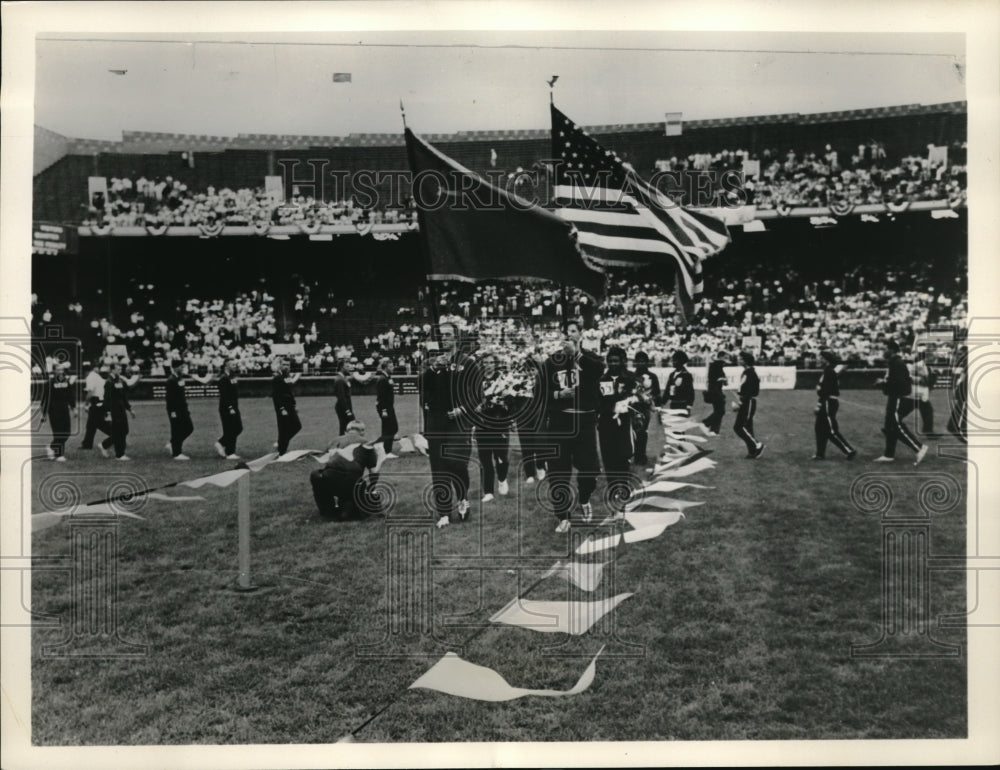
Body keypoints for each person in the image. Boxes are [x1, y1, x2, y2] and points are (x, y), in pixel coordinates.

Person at [544, 319, 605, 531]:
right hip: (561, 422)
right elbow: (539, 394)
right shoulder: (552, 362)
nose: (569, 335)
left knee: (589, 469)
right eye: (566, 332)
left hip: (585, 421)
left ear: (581, 334)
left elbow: (598, 371)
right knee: (558, 472)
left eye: (573, 331)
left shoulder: (590, 358)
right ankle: (563, 516)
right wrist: (558, 394)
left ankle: (585, 498)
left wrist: (577, 355)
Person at [420, 321, 473, 527]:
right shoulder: (433, 363)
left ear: (457, 338)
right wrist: (434, 368)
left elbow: (477, 395)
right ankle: (443, 512)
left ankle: (462, 497)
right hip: (436, 420)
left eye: (449, 335)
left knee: (455, 461)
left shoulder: (467, 362)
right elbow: (422, 387)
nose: (445, 338)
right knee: (439, 466)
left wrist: (462, 409)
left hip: (458, 421)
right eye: (442, 335)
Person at [875, 340, 928, 465]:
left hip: (897, 397)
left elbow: (899, 383)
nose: (883, 352)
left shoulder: (897, 363)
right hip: (894, 396)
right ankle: (889, 454)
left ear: (892, 350)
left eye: (885, 349)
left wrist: (883, 383)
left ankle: (919, 448)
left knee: (895, 424)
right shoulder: (894, 362)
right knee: (889, 427)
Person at [597, 346, 636, 512]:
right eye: (610, 360)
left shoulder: (629, 378)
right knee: (608, 458)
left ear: (622, 361)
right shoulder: (601, 379)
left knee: (623, 456)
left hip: (624, 423)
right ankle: (613, 488)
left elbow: (635, 397)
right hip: (606, 424)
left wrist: (628, 402)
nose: (613, 363)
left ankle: (624, 487)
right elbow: (599, 402)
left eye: (616, 360)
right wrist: (613, 405)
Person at [472, 352, 511, 504]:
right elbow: (471, 398)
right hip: (482, 424)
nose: (488, 365)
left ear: (495, 364)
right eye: (485, 362)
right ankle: (488, 491)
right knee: (485, 458)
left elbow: (511, 401)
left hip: (500, 423)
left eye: (490, 362)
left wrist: (503, 405)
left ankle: (502, 478)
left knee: (501, 457)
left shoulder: (503, 380)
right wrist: (475, 408)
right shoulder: (477, 380)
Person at [310, 443, 381, 521]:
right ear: (361, 431)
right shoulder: (367, 444)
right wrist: (372, 488)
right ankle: (347, 510)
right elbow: (373, 472)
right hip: (353, 480)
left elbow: (327, 461)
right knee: (355, 496)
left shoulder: (335, 441)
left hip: (330, 476)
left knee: (317, 476)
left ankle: (328, 512)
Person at [813, 350, 857, 460]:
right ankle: (820, 454)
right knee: (820, 428)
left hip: (828, 401)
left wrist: (819, 403)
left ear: (825, 359)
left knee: (830, 429)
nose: (818, 360)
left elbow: (826, 390)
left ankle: (848, 450)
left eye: (820, 358)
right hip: (827, 401)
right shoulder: (829, 369)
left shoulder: (829, 370)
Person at [512, 351, 549, 485]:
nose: (531, 372)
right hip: (523, 417)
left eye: (533, 369)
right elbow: (513, 401)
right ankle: (529, 473)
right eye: (528, 370)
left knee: (540, 442)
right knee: (526, 444)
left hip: (539, 416)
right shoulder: (518, 383)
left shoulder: (543, 382)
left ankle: (540, 466)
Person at [194, 361, 242, 460]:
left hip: (234, 406)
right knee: (230, 428)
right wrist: (230, 408)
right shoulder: (223, 379)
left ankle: (221, 443)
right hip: (227, 408)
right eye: (232, 364)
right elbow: (225, 396)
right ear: (226, 367)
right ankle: (230, 452)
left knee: (238, 427)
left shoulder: (232, 377)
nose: (235, 366)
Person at [40, 363, 77, 461]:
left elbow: (70, 396)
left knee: (67, 432)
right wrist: (44, 415)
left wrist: (74, 408)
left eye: (62, 370)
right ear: (54, 371)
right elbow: (44, 400)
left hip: (64, 409)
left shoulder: (66, 382)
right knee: (58, 432)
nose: (61, 372)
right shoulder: (49, 383)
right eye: (58, 370)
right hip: (54, 411)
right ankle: (59, 455)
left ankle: (52, 447)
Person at [100, 362, 136, 460]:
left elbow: (123, 397)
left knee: (124, 430)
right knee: (119, 431)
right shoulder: (109, 382)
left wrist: (130, 409)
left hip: (121, 409)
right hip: (114, 410)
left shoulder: (120, 381)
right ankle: (120, 454)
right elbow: (107, 399)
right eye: (118, 369)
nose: (120, 371)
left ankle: (104, 445)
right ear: (112, 370)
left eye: (120, 369)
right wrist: (108, 413)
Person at [631, 351, 661, 466]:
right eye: (638, 361)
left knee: (642, 431)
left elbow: (657, 393)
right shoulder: (632, 376)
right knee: (634, 431)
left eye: (643, 361)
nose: (641, 363)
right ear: (635, 362)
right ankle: (636, 454)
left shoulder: (652, 377)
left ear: (647, 362)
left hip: (645, 408)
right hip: (633, 408)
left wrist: (655, 403)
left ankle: (641, 455)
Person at [733, 351, 765, 459]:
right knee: (747, 427)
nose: (738, 360)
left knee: (738, 427)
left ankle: (757, 445)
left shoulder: (750, 373)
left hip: (748, 402)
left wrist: (740, 403)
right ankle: (752, 451)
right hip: (746, 401)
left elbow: (751, 391)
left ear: (745, 361)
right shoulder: (747, 372)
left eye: (740, 358)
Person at [272, 358, 302, 455]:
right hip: (283, 407)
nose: (286, 366)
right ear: (280, 365)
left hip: (290, 405)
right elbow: (276, 395)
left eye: (288, 365)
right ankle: (282, 451)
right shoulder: (277, 377)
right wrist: (281, 409)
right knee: (283, 428)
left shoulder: (286, 376)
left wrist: (293, 405)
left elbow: (289, 392)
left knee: (297, 426)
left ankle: (281, 443)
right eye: (284, 364)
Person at [165, 360, 194, 460]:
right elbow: (169, 398)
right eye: (181, 367)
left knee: (189, 428)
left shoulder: (180, 378)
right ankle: (177, 453)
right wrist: (172, 411)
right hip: (175, 410)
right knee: (177, 430)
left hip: (183, 408)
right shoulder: (171, 380)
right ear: (175, 367)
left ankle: (173, 444)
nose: (182, 369)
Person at [79, 362, 110, 450]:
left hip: (97, 402)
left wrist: (85, 404)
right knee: (91, 425)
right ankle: (87, 444)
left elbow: (90, 392)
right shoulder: (96, 376)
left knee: (100, 424)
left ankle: (117, 436)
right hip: (101, 401)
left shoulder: (90, 377)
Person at [374, 357, 399, 457]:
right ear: (385, 368)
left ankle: (384, 448)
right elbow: (382, 396)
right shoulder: (382, 379)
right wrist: (384, 410)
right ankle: (386, 450)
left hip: (389, 406)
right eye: (391, 366)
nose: (393, 368)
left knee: (391, 427)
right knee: (389, 427)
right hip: (385, 407)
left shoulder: (387, 377)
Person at [701, 351, 729, 436]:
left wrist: (724, 380)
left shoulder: (719, 367)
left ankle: (714, 431)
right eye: (725, 357)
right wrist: (721, 379)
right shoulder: (715, 365)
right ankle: (706, 423)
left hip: (718, 391)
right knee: (721, 411)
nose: (726, 360)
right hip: (714, 391)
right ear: (721, 357)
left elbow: (725, 383)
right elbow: (713, 379)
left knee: (718, 410)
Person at [910, 350, 936, 436]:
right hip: (915, 393)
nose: (934, 358)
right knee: (928, 411)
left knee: (927, 411)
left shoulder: (929, 367)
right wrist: (919, 380)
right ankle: (928, 431)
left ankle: (928, 431)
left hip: (920, 394)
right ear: (926, 357)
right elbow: (910, 376)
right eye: (932, 356)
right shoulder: (918, 366)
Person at [946, 344, 967, 443]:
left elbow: (962, 379)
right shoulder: (963, 363)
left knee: (957, 427)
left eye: (960, 353)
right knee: (952, 426)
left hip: (965, 399)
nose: (959, 355)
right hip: (962, 398)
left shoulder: (967, 362)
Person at [664, 350, 695, 414]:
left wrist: (689, 406)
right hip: (673, 404)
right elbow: (667, 391)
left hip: (683, 404)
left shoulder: (687, 375)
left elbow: (690, 392)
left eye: (675, 360)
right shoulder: (672, 374)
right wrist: (661, 403)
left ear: (680, 362)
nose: (673, 362)